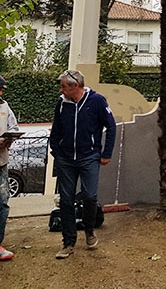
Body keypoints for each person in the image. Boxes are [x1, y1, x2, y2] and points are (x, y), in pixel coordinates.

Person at [49, 70, 116, 260]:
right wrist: (56, 151)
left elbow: (110, 126)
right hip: (66, 159)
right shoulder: (62, 104)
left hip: (89, 157)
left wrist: (106, 153)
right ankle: (68, 242)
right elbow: (56, 129)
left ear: (75, 86)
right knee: (66, 200)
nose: (60, 90)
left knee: (89, 195)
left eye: (63, 86)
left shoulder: (97, 101)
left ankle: (89, 229)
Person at [0, 75, 18, 261]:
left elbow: (14, 127)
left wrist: (9, 139)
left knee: (2, 203)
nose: (1, 92)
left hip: (1, 163)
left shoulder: (4, 107)